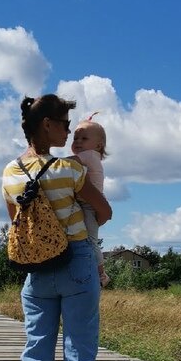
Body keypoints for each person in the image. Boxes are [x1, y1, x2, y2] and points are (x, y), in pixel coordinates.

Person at [2, 94, 112, 361]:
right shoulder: (71, 169)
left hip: (36, 271)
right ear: (47, 124)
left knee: (35, 356)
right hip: (77, 263)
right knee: (80, 358)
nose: (68, 130)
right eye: (65, 124)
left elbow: (17, 223)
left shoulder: (11, 173)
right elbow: (105, 211)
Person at [71, 115, 110, 288]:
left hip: (88, 205)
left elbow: (68, 162)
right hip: (87, 203)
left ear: (98, 145)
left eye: (84, 138)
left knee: (90, 240)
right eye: (75, 138)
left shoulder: (88, 155)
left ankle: (101, 273)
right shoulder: (91, 156)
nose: (78, 142)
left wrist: (48, 163)